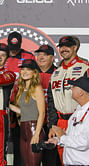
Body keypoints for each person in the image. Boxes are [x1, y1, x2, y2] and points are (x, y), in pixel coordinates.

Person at [47, 36, 89, 165]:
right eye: (61, 47)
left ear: (75, 47)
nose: (64, 49)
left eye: (67, 46)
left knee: (80, 157)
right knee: (64, 160)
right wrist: (52, 125)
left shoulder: (85, 68)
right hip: (60, 121)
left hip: (81, 120)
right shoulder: (55, 72)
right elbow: (51, 100)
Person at [5, 31, 36, 166]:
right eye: (11, 49)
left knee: (22, 143)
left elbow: (34, 78)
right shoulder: (1, 55)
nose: (13, 52)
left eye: (16, 49)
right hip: (4, 104)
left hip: (21, 105)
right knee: (2, 142)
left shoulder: (28, 56)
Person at [9, 59, 45, 166]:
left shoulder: (37, 88)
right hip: (23, 130)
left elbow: (42, 113)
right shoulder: (21, 89)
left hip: (33, 130)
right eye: (22, 69)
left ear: (34, 72)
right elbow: (24, 112)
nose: (24, 72)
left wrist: (37, 134)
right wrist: (7, 105)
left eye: (28, 69)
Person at [47, 76, 89, 165]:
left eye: (74, 86)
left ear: (81, 92)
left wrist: (62, 138)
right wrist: (57, 140)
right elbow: (70, 136)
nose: (71, 88)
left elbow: (84, 142)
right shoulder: (77, 111)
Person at [35, 45, 60, 166]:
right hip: (33, 123)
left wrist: (53, 123)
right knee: (31, 158)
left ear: (52, 57)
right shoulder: (30, 73)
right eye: (39, 54)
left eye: (45, 54)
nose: (41, 57)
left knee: (51, 159)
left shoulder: (59, 73)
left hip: (52, 123)